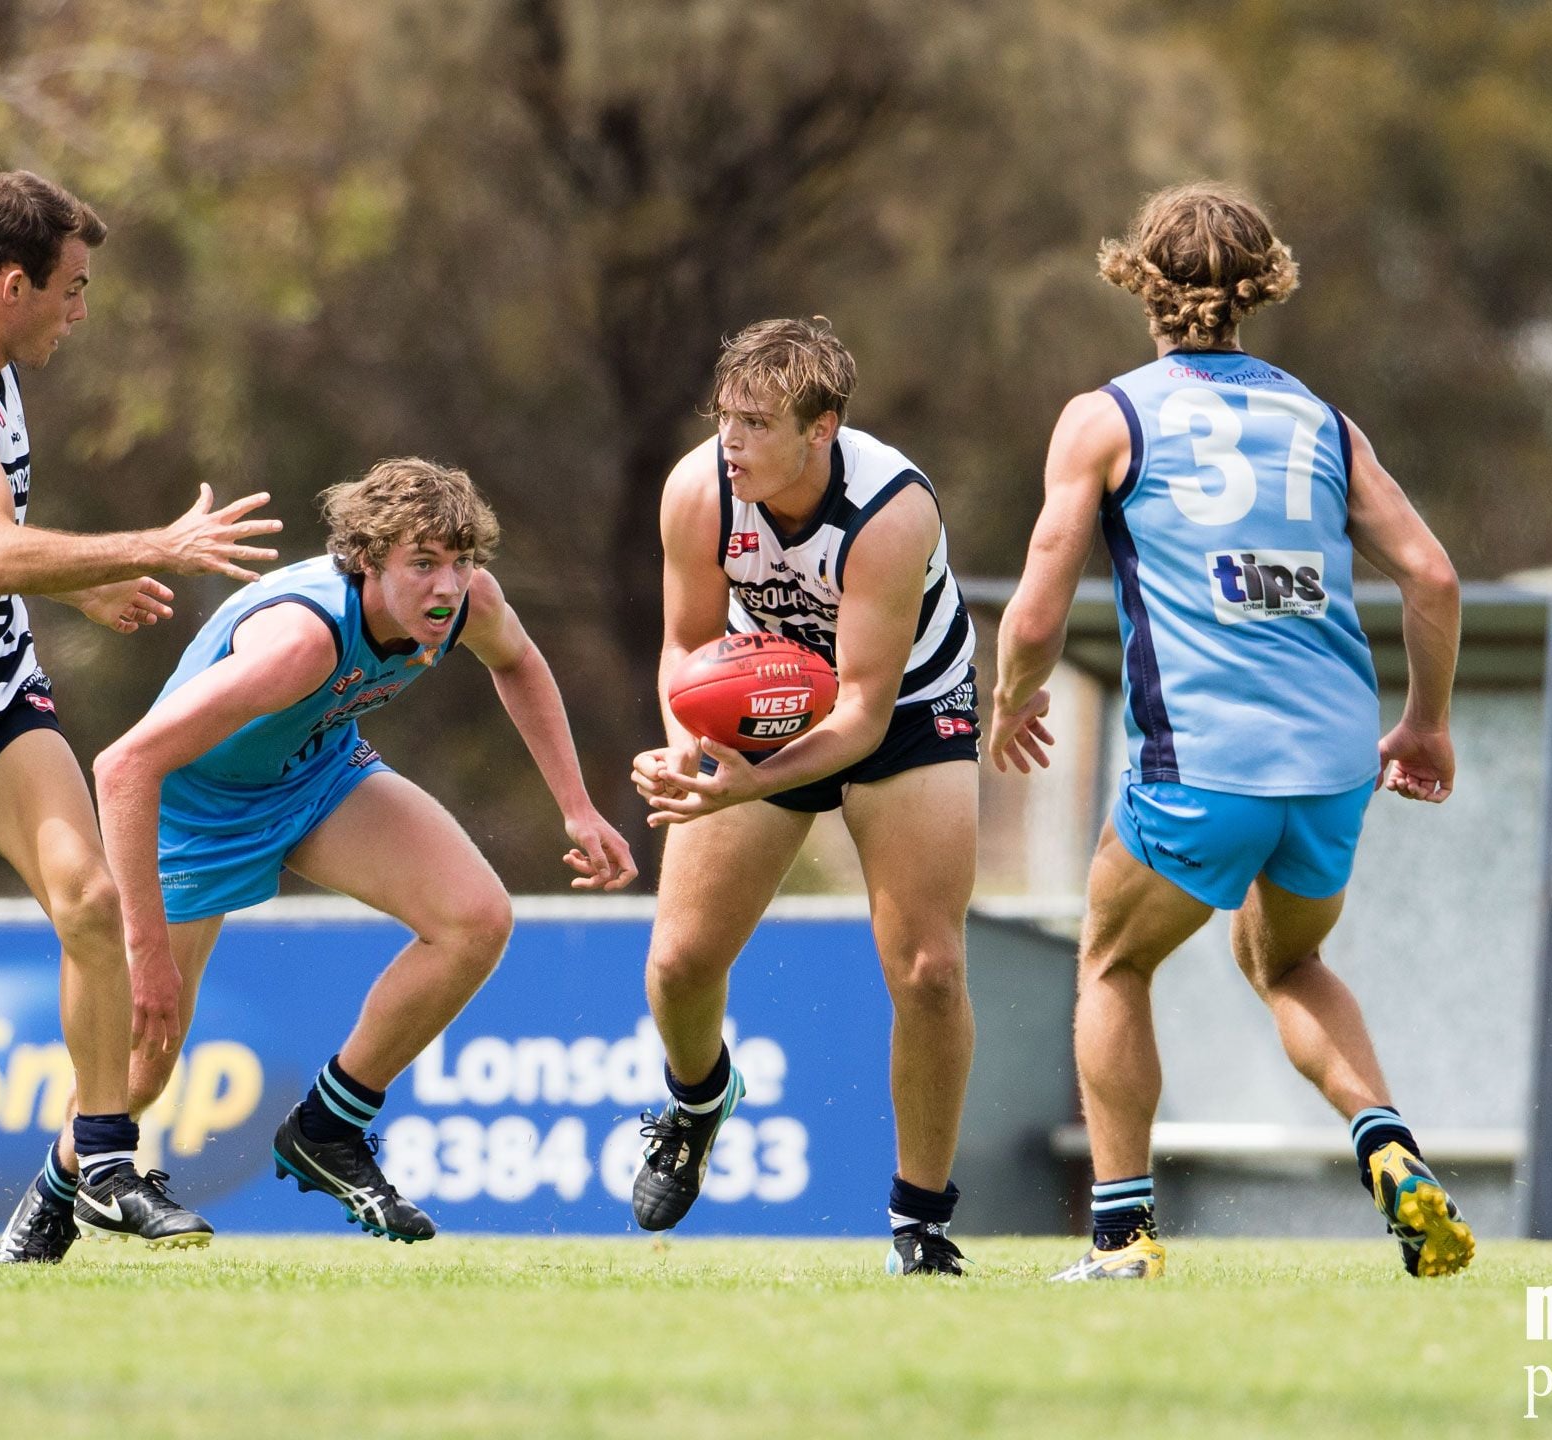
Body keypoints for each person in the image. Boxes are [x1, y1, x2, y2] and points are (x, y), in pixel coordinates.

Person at [985, 182, 1473, 1281]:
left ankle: (1121, 1239)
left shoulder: (1106, 417)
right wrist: (1426, 724)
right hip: (1335, 763)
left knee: (1113, 961)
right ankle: (1388, 1148)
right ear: (1264, 283)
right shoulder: (1323, 421)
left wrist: (1011, 697)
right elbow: (1434, 577)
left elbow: (1037, 609)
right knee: (1288, 961)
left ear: (1137, 279)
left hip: (1201, 762)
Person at [0, 458, 637, 1261]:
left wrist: (577, 808)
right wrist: (144, 949)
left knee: (476, 920)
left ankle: (328, 1127)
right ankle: (58, 1195)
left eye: (461, 560)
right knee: (144, 1064)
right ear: (366, 560)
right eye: (423, 563)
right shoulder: (302, 642)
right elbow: (124, 767)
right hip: (197, 809)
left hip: (316, 772)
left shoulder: (467, 603)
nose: (447, 587)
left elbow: (519, 662)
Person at [0, 170, 282, 1262]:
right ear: (12, 284)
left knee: (91, 899)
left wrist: (79, 589)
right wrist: (155, 546)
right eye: (72, 288)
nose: (81, 310)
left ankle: (103, 1159)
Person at [631, 318, 986, 1276]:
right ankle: (699, 1103)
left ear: (821, 429)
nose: (731, 442)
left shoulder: (891, 511)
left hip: (908, 708)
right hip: (766, 704)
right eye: (724, 419)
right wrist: (693, 756)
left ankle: (919, 1224)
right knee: (679, 965)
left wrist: (748, 782)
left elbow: (863, 713)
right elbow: (685, 649)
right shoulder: (698, 490)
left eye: (755, 425)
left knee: (928, 970)